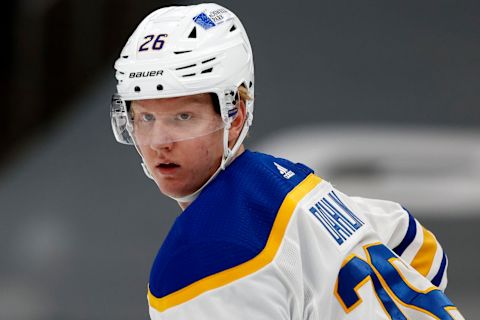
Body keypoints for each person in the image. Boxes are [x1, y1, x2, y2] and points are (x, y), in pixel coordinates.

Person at [110, 3, 465, 319]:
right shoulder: (293, 183)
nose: (159, 142)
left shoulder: (202, 257)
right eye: (145, 118)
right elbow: (418, 246)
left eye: (183, 117)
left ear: (235, 115)